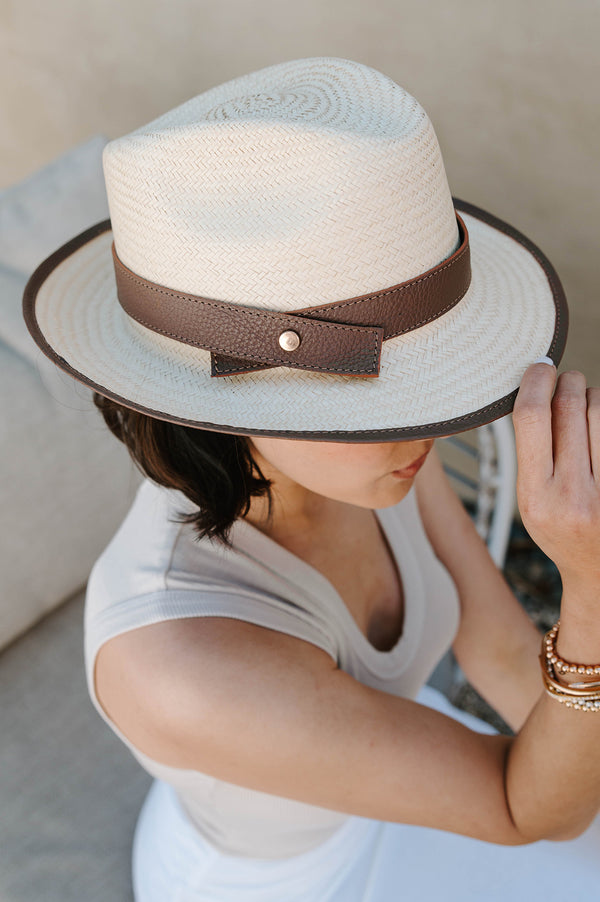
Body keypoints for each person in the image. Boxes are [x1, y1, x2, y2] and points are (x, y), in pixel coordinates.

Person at [23, 57, 600, 901]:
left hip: (411, 764)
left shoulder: (379, 458)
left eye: (423, 385)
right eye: (384, 394)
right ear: (213, 403)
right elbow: (526, 810)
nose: (430, 428)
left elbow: (510, 655)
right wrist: (587, 586)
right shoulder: (178, 664)